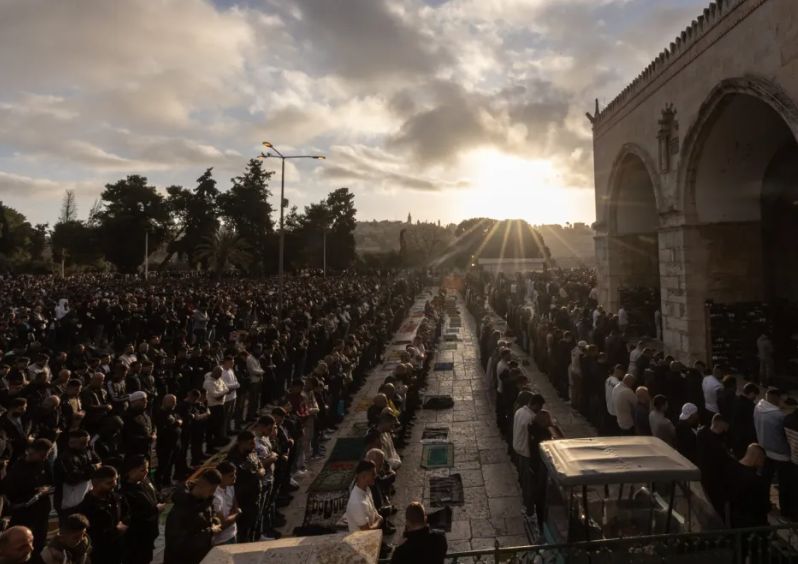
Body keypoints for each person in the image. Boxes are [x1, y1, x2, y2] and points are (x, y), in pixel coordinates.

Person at [4, 438, 54, 553]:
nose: (45, 458)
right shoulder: (18, 468)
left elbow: (52, 482)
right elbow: (10, 491)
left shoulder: (44, 463)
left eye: (47, 455)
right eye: (42, 455)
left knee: (39, 544)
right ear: (32, 451)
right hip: (24, 512)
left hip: (42, 511)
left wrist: (46, 489)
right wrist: (33, 491)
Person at [163, 468, 222, 564]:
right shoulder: (181, 508)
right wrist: (210, 531)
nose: (213, 493)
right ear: (204, 485)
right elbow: (177, 544)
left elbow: (208, 515)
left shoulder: (205, 500)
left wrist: (214, 521)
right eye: (212, 490)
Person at [753, 388, 793, 519]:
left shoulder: (758, 407)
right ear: (776, 398)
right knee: (784, 484)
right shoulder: (779, 416)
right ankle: (786, 512)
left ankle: (764, 504)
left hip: (765, 449)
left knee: (766, 480)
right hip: (781, 454)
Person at [76, 465, 127, 564]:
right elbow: (92, 533)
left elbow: (127, 512)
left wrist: (124, 523)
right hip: (100, 553)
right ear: (95, 484)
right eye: (109, 483)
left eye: (115, 480)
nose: (114, 484)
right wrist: (116, 531)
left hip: (118, 548)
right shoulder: (86, 507)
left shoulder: (116, 498)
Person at [120, 455, 163, 564]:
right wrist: (155, 510)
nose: (146, 472)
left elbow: (155, 494)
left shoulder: (145, 480)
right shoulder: (126, 492)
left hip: (149, 533)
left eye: (147, 468)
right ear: (130, 471)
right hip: (137, 537)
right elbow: (132, 516)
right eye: (142, 470)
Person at [225, 430, 265, 543]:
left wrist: (260, 471)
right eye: (250, 443)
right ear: (241, 443)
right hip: (244, 499)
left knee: (254, 523)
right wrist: (257, 474)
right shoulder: (233, 459)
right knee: (244, 530)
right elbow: (241, 477)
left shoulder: (251, 452)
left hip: (254, 495)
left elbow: (260, 465)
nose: (253, 446)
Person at [696, 413, 732, 520]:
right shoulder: (710, 439)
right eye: (725, 425)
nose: (726, 428)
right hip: (712, 477)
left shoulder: (703, 433)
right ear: (718, 423)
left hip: (712, 477)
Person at [727, 443, 770, 528]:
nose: (762, 463)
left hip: (732, 519)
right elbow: (763, 506)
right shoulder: (756, 480)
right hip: (751, 523)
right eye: (762, 460)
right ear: (758, 458)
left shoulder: (730, 469)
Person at [512, 391, 537, 516]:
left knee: (523, 478)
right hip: (526, 453)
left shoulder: (518, 412)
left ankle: (525, 502)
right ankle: (529, 508)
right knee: (528, 483)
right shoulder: (530, 417)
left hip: (518, 449)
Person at [345, 460, 382, 533]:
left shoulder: (367, 488)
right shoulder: (357, 503)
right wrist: (380, 521)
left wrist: (378, 517)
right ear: (363, 476)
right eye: (373, 474)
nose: (376, 476)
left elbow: (373, 510)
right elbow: (367, 531)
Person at [154, 394, 182, 487]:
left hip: (174, 443)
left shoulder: (172, 412)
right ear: (165, 402)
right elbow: (163, 429)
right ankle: (159, 484)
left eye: (175, 402)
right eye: (172, 402)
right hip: (165, 444)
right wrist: (176, 424)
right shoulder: (160, 413)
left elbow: (178, 419)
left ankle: (167, 481)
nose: (174, 404)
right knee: (163, 465)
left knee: (170, 464)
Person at [212, 461, 241, 546]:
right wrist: (237, 513)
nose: (234, 478)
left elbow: (235, 504)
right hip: (221, 540)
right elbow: (223, 523)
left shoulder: (230, 486)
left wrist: (234, 513)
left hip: (233, 533)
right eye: (231, 476)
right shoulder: (215, 495)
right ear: (221, 476)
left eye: (235, 474)